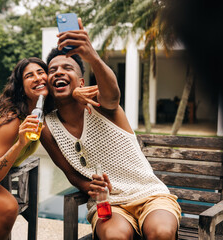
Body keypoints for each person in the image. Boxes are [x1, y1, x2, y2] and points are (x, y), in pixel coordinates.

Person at [40, 18, 182, 240]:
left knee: (161, 232)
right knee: (115, 237)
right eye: (52, 70)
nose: (58, 72)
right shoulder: (47, 126)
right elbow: (71, 174)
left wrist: (91, 55)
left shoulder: (100, 103)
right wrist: (91, 187)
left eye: (67, 67)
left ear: (81, 81)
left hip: (150, 195)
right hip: (109, 203)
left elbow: (113, 94)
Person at [0, 57, 96, 240]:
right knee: (8, 206)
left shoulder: (41, 115)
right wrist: (20, 143)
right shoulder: (13, 120)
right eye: (29, 75)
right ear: (22, 87)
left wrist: (76, 93)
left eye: (41, 72)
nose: (37, 78)